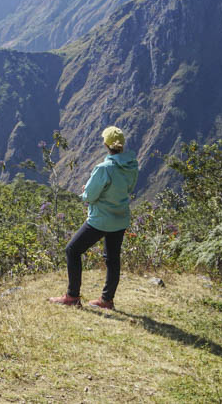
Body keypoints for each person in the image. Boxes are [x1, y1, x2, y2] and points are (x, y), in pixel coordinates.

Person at [48, 126, 138, 309]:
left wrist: (85, 192)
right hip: (120, 218)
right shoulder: (131, 165)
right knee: (113, 259)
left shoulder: (104, 168)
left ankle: (72, 296)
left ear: (106, 144)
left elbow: (89, 196)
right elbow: (128, 188)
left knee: (72, 250)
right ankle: (107, 300)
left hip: (101, 219)